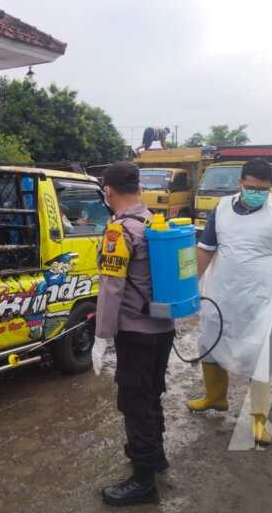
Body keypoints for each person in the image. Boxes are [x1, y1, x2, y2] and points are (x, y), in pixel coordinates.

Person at [188, 158, 272, 446]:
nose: (257, 193)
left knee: (258, 354)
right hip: (221, 292)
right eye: (251, 187)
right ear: (240, 183)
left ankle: (258, 420)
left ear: (271, 188)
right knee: (210, 342)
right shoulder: (221, 209)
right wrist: (191, 284)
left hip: (260, 298)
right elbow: (206, 248)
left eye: (263, 189)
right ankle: (216, 398)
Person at [92, 161, 173, 506]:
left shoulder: (119, 231)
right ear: (138, 188)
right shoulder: (155, 220)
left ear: (108, 191)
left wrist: (101, 336)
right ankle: (154, 456)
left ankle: (143, 481)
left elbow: (111, 288)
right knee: (151, 392)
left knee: (134, 400)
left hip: (135, 332)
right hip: (163, 326)